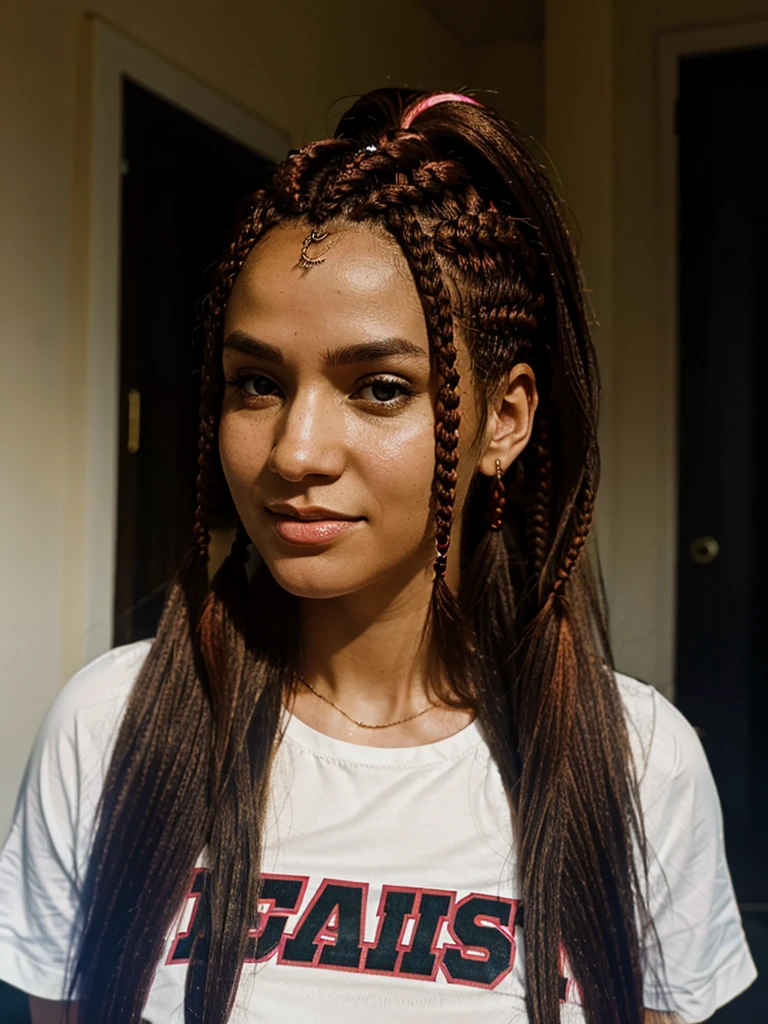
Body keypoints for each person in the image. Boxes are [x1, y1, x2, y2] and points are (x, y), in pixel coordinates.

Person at [0, 89, 757, 1024]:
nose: (294, 452)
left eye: (381, 388)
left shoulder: (639, 765)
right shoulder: (110, 731)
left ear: (505, 419)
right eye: (257, 384)